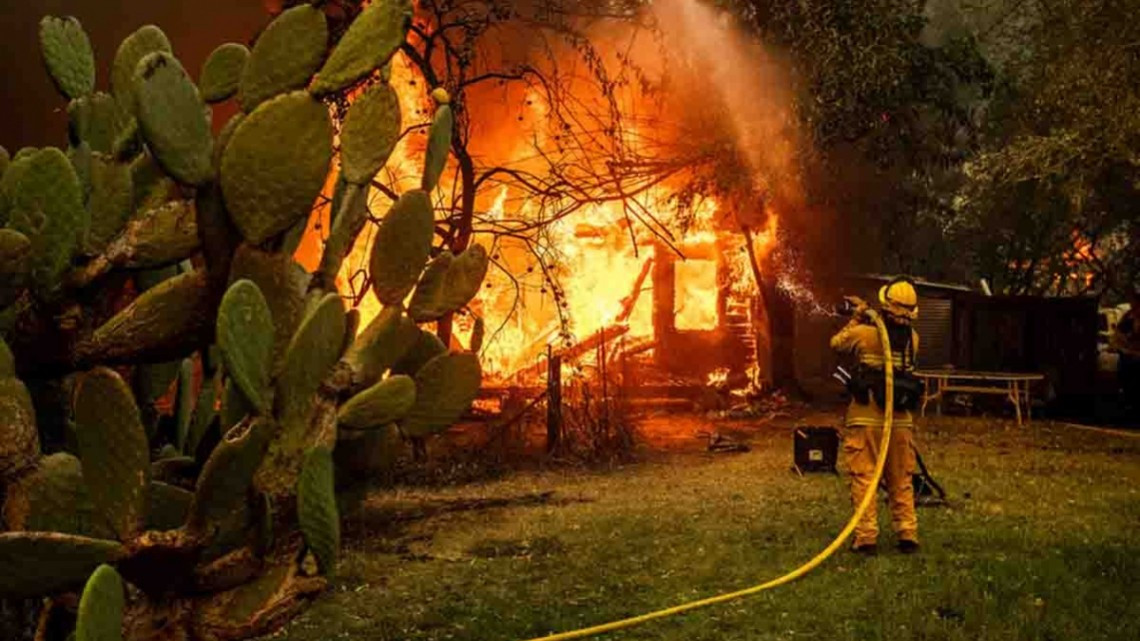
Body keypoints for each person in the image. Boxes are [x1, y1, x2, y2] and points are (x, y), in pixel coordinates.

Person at [830, 277, 922, 555]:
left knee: (864, 477)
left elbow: (836, 344)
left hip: (866, 418)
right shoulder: (914, 340)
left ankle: (866, 536)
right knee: (901, 477)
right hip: (900, 421)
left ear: (885, 306)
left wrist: (857, 317)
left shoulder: (865, 334)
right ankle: (907, 532)